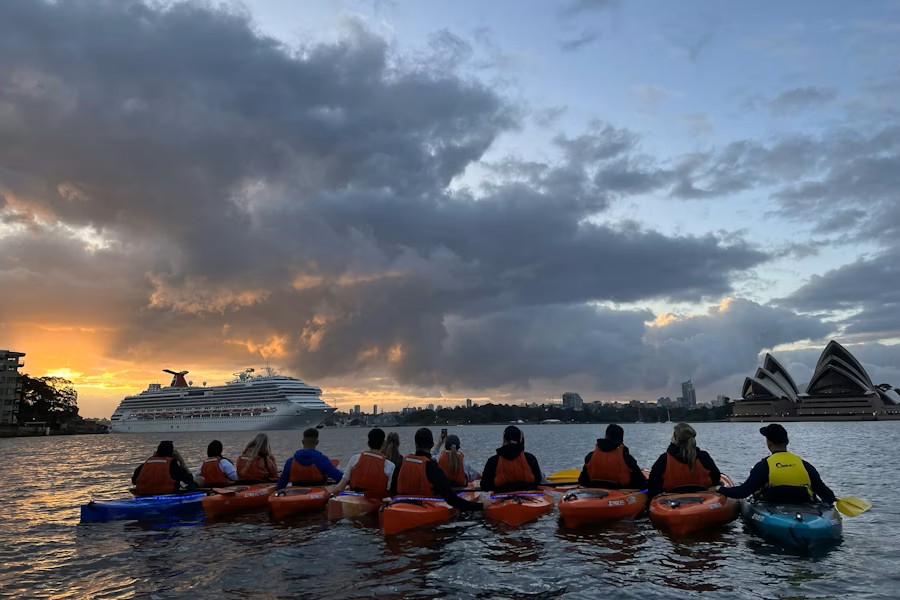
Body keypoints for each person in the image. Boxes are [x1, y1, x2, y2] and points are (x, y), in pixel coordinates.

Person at [717, 424, 836, 504]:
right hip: (805, 507)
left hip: (774, 507)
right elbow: (827, 495)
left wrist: (720, 489)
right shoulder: (804, 465)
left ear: (769, 443)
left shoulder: (764, 466)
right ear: (787, 442)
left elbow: (743, 492)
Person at [389, 428, 483, 512]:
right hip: (426, 506)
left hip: (399, 506)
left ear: (415, 444)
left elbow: (393, 490)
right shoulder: (432, 467)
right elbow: (452, 500)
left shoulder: (401, 463)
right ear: (431, 444)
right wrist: (481, 506)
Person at [647, 423, 721, 497]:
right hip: (703, 499)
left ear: (675, 437)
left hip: (671, 501)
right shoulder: (704, 456)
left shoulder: (664, 459)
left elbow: (653, 484)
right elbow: (716, 478)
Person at [331, 428, 395, 498]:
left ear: (368, 443)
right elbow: (389, 492)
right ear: (384, 444)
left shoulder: (355, 459)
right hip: (376, 501)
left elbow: (340, 487)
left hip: (355, 499)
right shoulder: (390, 466)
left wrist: (331, 494)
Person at [578, 424, 647, 489]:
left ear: (606, 436)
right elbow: (640, 482)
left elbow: (582, 481)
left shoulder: (590, 456)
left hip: (595, 491)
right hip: (621, 492)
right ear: (621, 439)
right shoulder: (627, 458)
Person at [480, 426, 543, 493]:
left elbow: (485, 486)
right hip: (529, 496)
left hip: (501, 497)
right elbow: (538, 481)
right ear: (520, 439)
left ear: (504, 440)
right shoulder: (530, 458)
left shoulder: (493, 461)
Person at [276, 428, 344, 490]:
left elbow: (281, 484)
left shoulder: (290, 462)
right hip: (318, 494)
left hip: (295, 492)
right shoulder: (322, 460)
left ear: (302, 441)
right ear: (317, 442)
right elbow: (340, 478)